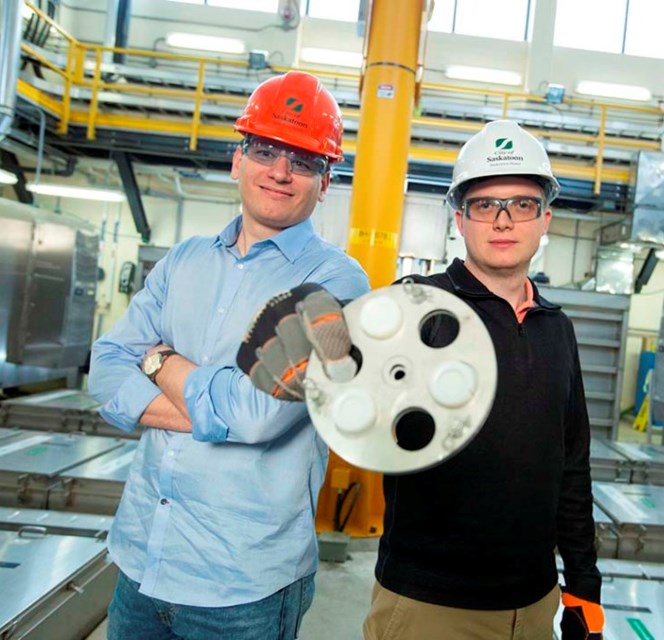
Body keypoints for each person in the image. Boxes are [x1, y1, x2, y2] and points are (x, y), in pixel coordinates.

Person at [241, 120, 604, 640]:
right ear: (460, 217)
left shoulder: (556, 327)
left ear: (545, 218)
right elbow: (353, 388)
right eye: (485, 205)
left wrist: (583, 585)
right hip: (429, 605)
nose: (503, 221)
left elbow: (572, 463)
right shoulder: (415, 306)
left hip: (535, 601)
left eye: (521, 205)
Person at [88, 70, 369, 640]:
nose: (281, 172)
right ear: (237, 158)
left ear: (326, 178)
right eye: (266, 149)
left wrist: (158, 361)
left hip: (245, 587)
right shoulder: (184, 260)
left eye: (304, 159)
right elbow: (105, 368)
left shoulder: (335, 281)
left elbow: (259, 415)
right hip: (142, 558)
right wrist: (220, 407)